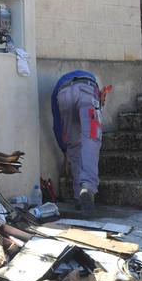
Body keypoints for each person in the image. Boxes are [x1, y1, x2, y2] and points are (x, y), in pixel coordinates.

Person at [51, 70, 105, 212]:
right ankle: (87, 187)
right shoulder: (94, 85)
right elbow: (94, 119)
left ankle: (78, 197)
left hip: (62, 94)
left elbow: (57, 124)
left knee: (74, 146)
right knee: (91, 139)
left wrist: (64, 150)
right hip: (87, 88)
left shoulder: (58, 86)